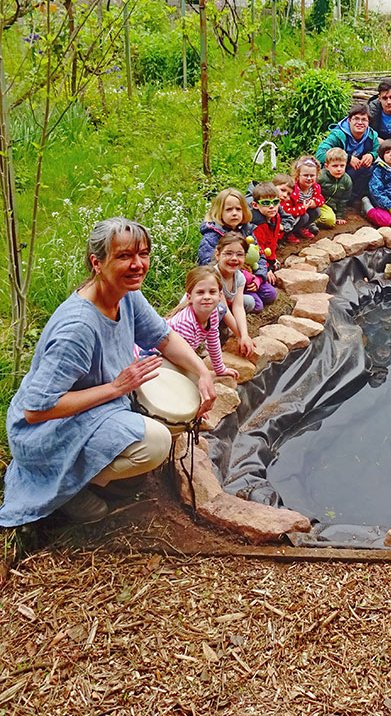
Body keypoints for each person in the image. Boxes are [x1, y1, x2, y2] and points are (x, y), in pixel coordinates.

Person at [0, 218, 215, 528]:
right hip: (46, 431)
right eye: (124, 256)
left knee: (188, 372)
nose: (138, 264)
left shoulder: (125, 293)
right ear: (97, 263)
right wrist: (116, 388)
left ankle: (102, 468)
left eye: (143, 253)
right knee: (155, 442)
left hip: (100, 402)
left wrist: (202, 371)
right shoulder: (78, 328)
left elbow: (164, 338)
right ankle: (66, 489)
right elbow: (35, 411)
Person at [198, 187, 276, 308]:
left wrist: (259, 278)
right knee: (256, 305)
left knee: (270, 294)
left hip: (249, 275)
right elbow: (209, 265)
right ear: (219, 212)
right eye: (229, 209)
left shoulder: (247, 230)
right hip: (225, 281)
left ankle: (249, 291)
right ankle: (231, 304)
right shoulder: (212, 236)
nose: (234, 213)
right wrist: (246, 278)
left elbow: (259, 254)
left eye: (238, 209)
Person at [168, 266, 239, 382]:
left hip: (179, 355)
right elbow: (183, 357)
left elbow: (213, 340)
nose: (207, 297)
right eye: (200, 292)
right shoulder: (186, 323)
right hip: (154, 357)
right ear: (189, 297)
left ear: (220, 296)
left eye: (212, 292)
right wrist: (203, 375)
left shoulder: (214, 312)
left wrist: (220, 369)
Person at [316, 103, 380, 201]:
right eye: (356, 119)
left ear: (368, 122)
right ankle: (330, 198)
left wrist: (372, 155)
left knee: (371, 168)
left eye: (364, 120)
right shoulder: (338, 134)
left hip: (354, 170)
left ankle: (352, 199)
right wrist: (347, 158)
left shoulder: (372, 135)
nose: (360, 122)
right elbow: (320, 154)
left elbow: (378, 150)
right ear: (349, 120)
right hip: (334, 172)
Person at [214, 233, 257, 357]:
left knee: (248, 301)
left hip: (222, 308)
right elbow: (224, 310)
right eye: (228, 253)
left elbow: (238, 307)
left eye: (239, 254)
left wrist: (244, 335)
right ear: (217, 255)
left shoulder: (239, 277)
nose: (234, 258)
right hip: (200, 312)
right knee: (217, 309)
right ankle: (207, 338)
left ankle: (223, 327)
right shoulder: (214, 276)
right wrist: (240, 336)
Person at [283, 156, 326, 239]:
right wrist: (302, 208)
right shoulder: (293, 190)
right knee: (304, 217)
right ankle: (289, 232)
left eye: (312, 175)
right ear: (298, 176)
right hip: (291, 216)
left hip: (303, 212)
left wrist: (314, 202)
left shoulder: (314, 188)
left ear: (317, 176)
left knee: (316, 211)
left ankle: (302, 228)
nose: (309, 178)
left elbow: (321, 199)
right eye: (305, 175)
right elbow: (286, 210)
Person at [249, 182, 283, 276]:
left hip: (266, 254)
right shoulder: (257, 224)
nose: (272, 206)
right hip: (254, 258)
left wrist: (272, 259)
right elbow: (258, 248)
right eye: (266, 203)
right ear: (255, 205)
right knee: (268, 277)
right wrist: (267, 268)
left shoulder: (276, 217)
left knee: (276, 268)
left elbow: (272, 240)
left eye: (275, 202)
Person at [318, 148, 352, 226]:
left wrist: (339, 216)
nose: (339, 169)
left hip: (331, 207)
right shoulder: (320, 177)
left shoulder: (347, 180)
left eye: (342, 166)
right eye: (335, 166)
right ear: (326, 166)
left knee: (330, 221)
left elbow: (343, 200)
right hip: (318, 204)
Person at [272, 173, 300, 242]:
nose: (285, 195)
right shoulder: (256, 203)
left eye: (288, 194)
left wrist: (283, 227)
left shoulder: (277, 205)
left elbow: (288, 218)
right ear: (272, 187)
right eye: (282, 190)